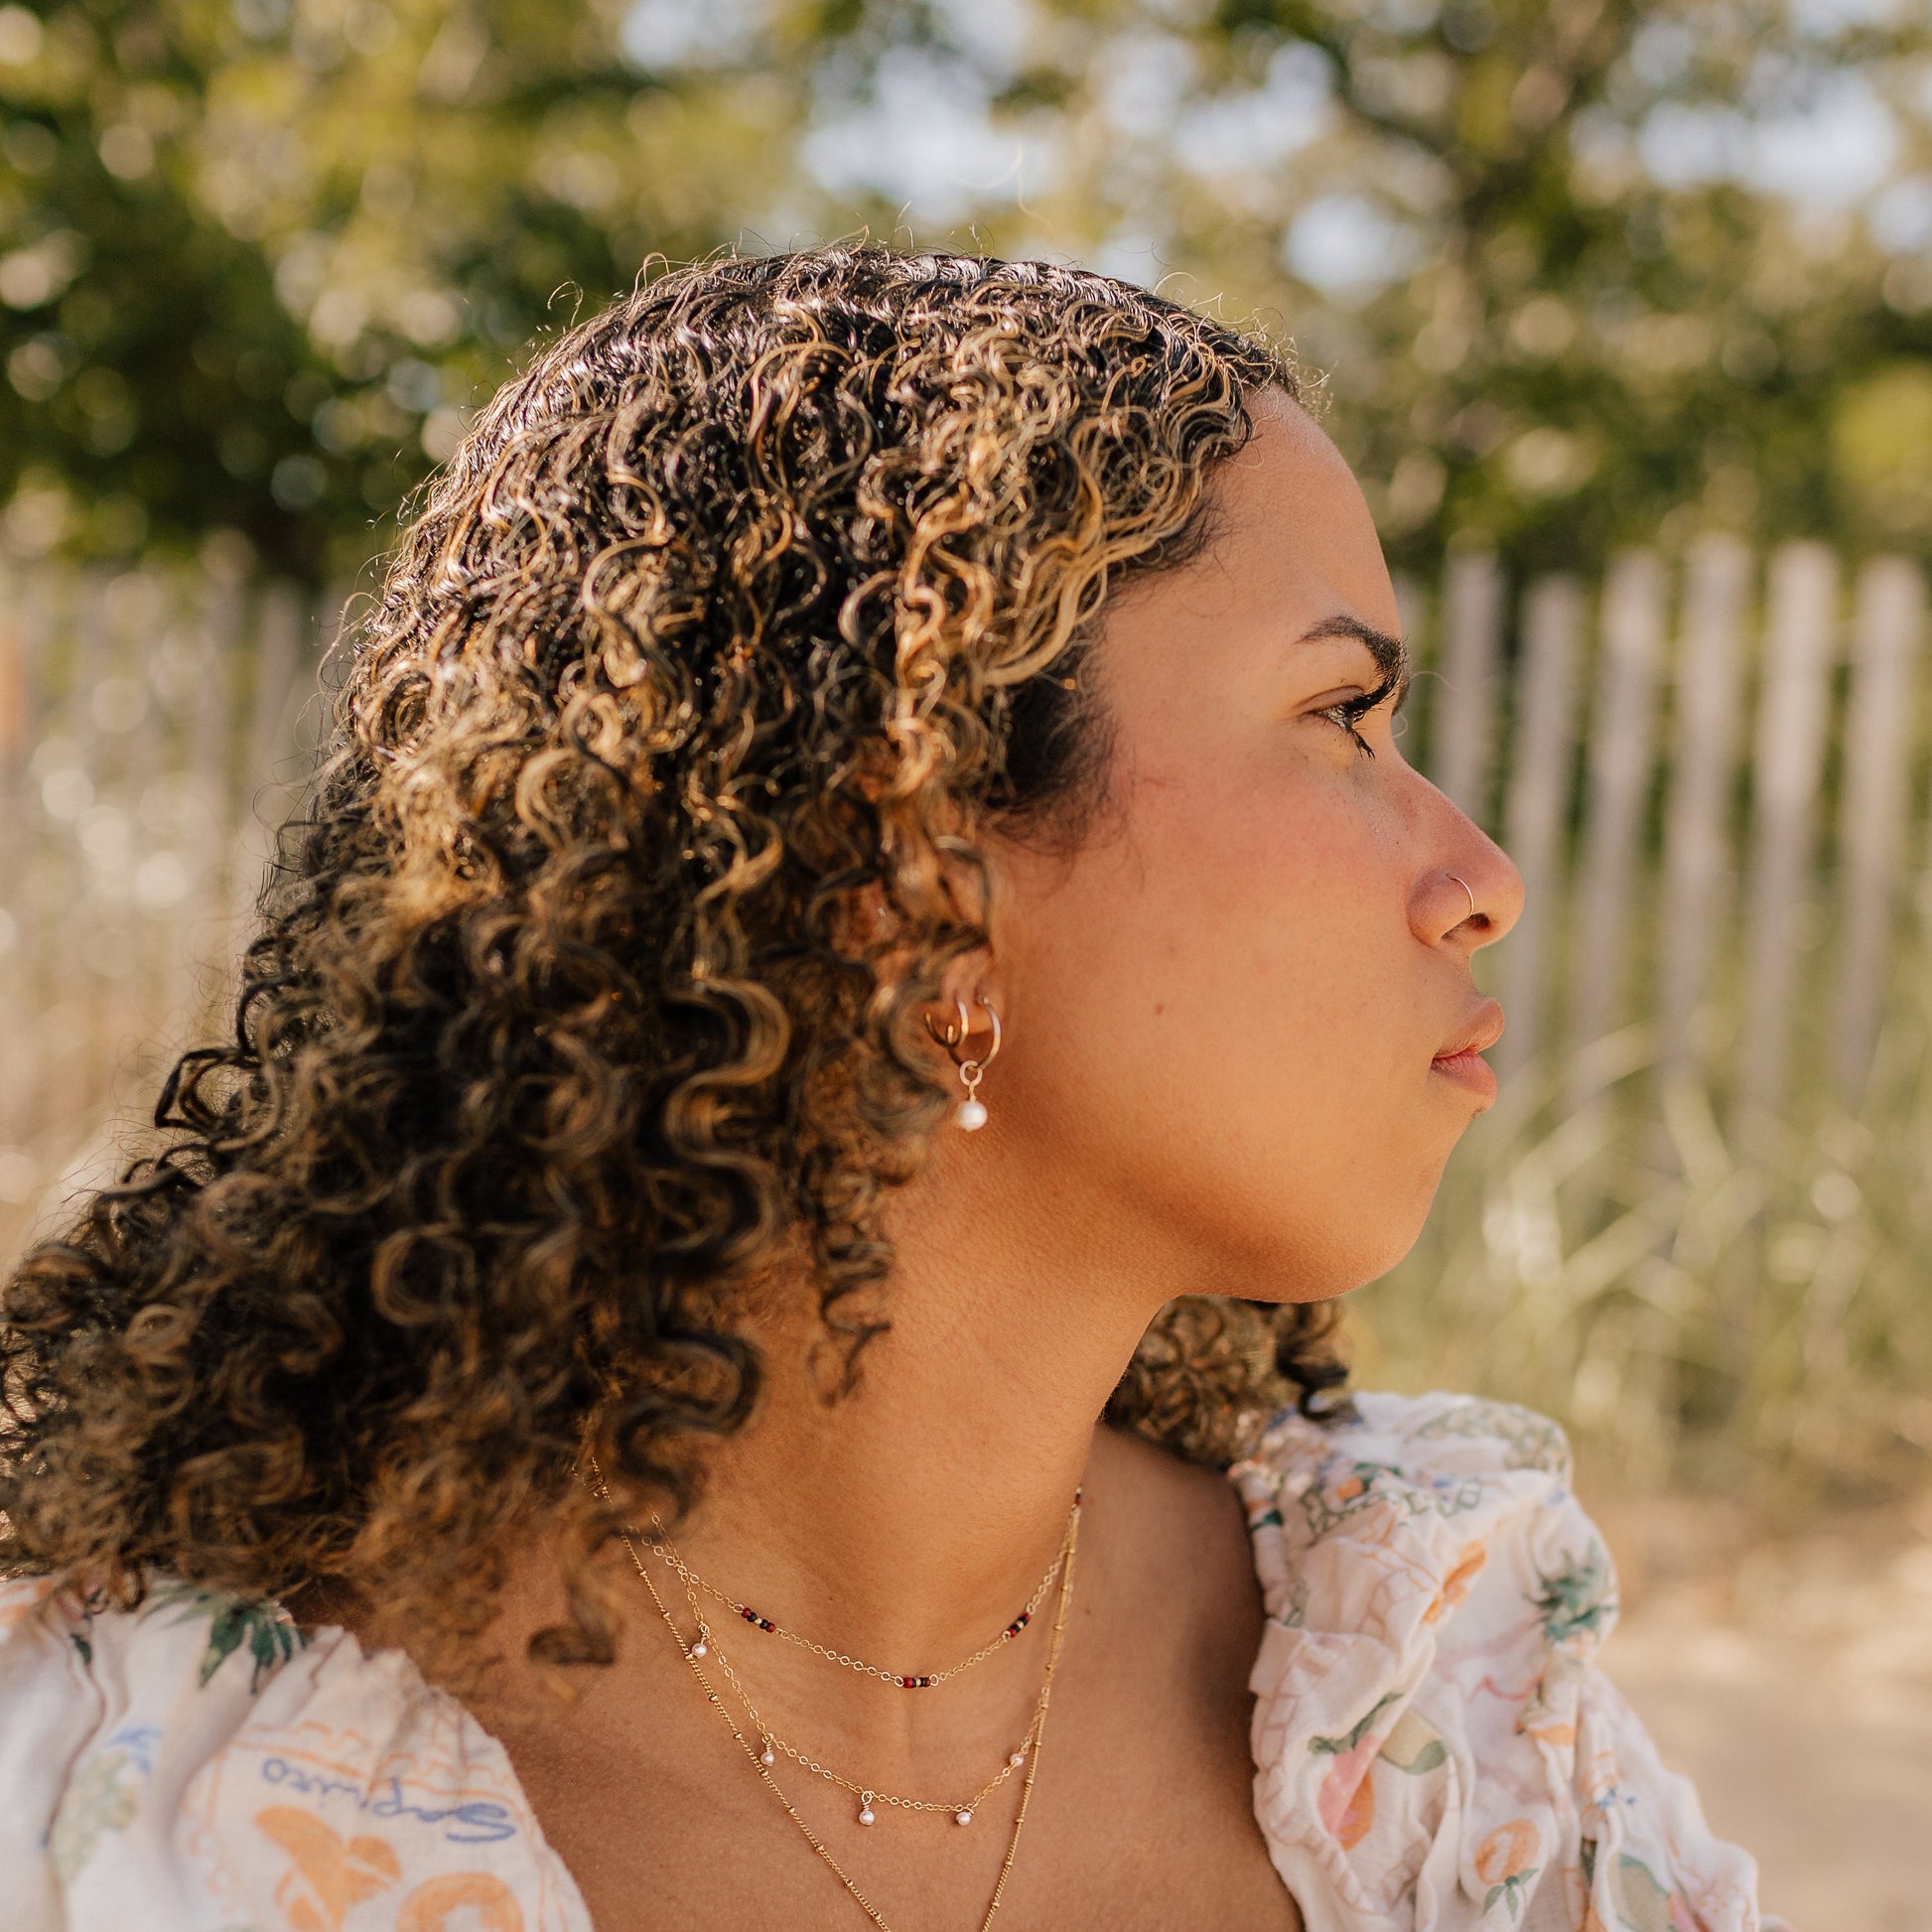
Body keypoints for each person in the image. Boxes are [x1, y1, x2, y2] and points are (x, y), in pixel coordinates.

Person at [0, 248, 1773, 1932]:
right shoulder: (157, 1801)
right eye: (1340, 718)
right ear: (914, 877)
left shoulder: (1435, 1700)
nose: (1479, 878)